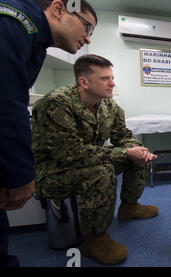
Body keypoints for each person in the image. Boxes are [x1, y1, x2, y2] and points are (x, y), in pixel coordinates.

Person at [31, 54, 159, 265]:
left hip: (89, 158)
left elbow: (122, 136)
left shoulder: (109, 106)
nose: (112, 83)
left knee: (136, 156)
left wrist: (135, 149)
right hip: (53, 170)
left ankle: (129, 207)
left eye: (112, 77)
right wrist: (125, 152)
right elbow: (70, 151)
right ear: (84, 82)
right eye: (104, 78)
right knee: (102, 171)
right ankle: (96, 239)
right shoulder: (56, 103)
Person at [0, 0, 97, 267]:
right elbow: (7, 102)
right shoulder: (14, 23)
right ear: (58, 9)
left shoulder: (35, 40)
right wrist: (20, 175)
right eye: (87, 26)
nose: (88, 37)